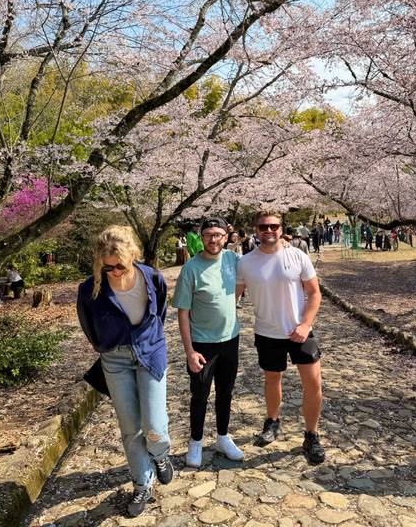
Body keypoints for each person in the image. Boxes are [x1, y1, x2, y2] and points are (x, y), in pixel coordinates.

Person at [77, 225, 173, 518]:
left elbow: (160, 311)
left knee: (154, 425)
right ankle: (142, 482)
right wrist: (106, 345)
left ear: (133, 256)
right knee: (131, 428)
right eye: (108, 268)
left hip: (150, 353)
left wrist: (149, 340)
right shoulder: (90, 288)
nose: (115, 272)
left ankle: (159, 456)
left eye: (120, 265)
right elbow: (88, 325)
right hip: (115, 359)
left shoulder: (152, 277)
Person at [236, 210, 325, 465]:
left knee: (313, 384)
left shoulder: (297, 256)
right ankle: (272, 421)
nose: (268, 231)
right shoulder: (246, 262)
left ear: (281, 228)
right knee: (272, 379)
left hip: (300, 330)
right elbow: (234, 295)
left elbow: (314, 293)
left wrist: (306, 324)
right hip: (267, 332)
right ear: (256, 229)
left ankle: (311, 435)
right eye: (263, 227)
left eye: (273, 226)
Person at [173, 216, 243, 468]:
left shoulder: (233, 259)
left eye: (218, 235)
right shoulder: (191, 268)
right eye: (208, 235)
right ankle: (196, 442)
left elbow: (255, 271)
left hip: (230, 339)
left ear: (226, 237)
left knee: (225, 391)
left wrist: (284, 247)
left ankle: (223, 437)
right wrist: (189, 351)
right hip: (202, 343)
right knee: (200, 395)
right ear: (201, 237)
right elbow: (182, 312)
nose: (213, 239)